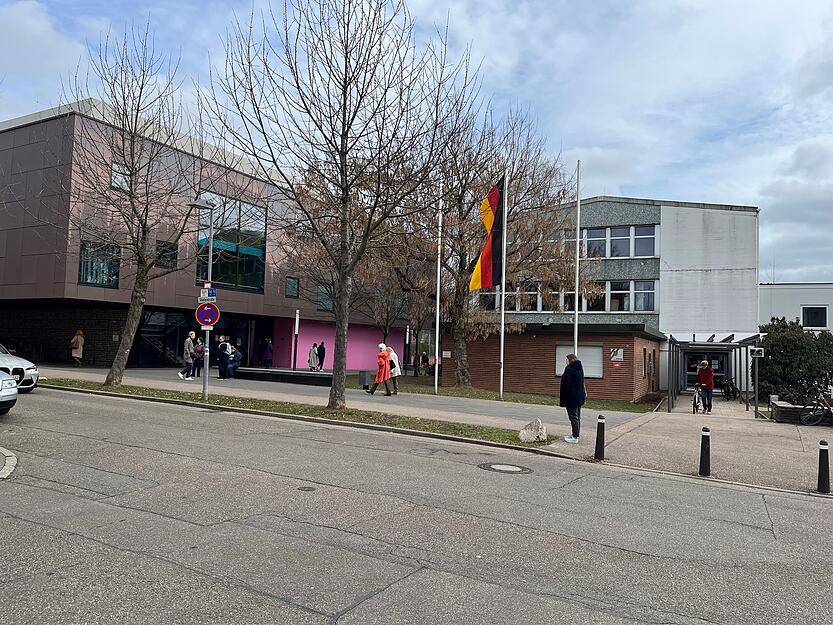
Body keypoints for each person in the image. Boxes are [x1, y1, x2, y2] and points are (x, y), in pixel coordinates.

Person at [559, 353, 586, 444]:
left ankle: (575, 437)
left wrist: (563, 394)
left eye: (566, 360)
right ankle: (575, 434)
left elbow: (565, 384)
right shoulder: (580, 369)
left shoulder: (569, 369)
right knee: (577, 416)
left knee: (573, 417)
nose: (565, 362)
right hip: (579, 396)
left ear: (570, 360)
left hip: (571, 397)